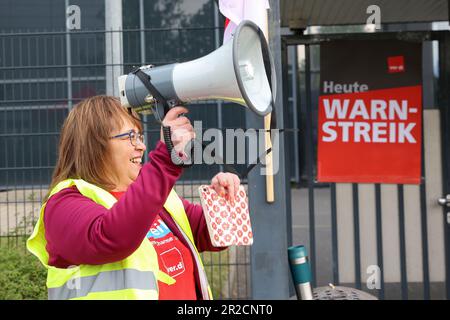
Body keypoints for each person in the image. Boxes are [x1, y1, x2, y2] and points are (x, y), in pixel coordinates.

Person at [27, 95, 241, 300]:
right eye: (130, 137)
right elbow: (112, 238)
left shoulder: (159, 198)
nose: (141, 145)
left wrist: (222, 200)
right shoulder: (64, 204)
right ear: (94, 145)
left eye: (139, 136)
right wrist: (166, 160)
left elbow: (214, 236)